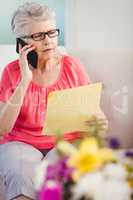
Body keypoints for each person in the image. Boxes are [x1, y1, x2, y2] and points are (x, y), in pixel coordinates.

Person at [0, 2, 108, 200]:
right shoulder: (11, 72)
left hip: (64, 141)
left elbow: (93, 114)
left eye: (51, 32)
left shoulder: (72, 66)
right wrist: (25, 81)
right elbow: (3, 128)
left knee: (58, 176)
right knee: (21, 174)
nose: (48, 41)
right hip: (20, 142)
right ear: (22, 43)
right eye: (38, 36)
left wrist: (99, 122)